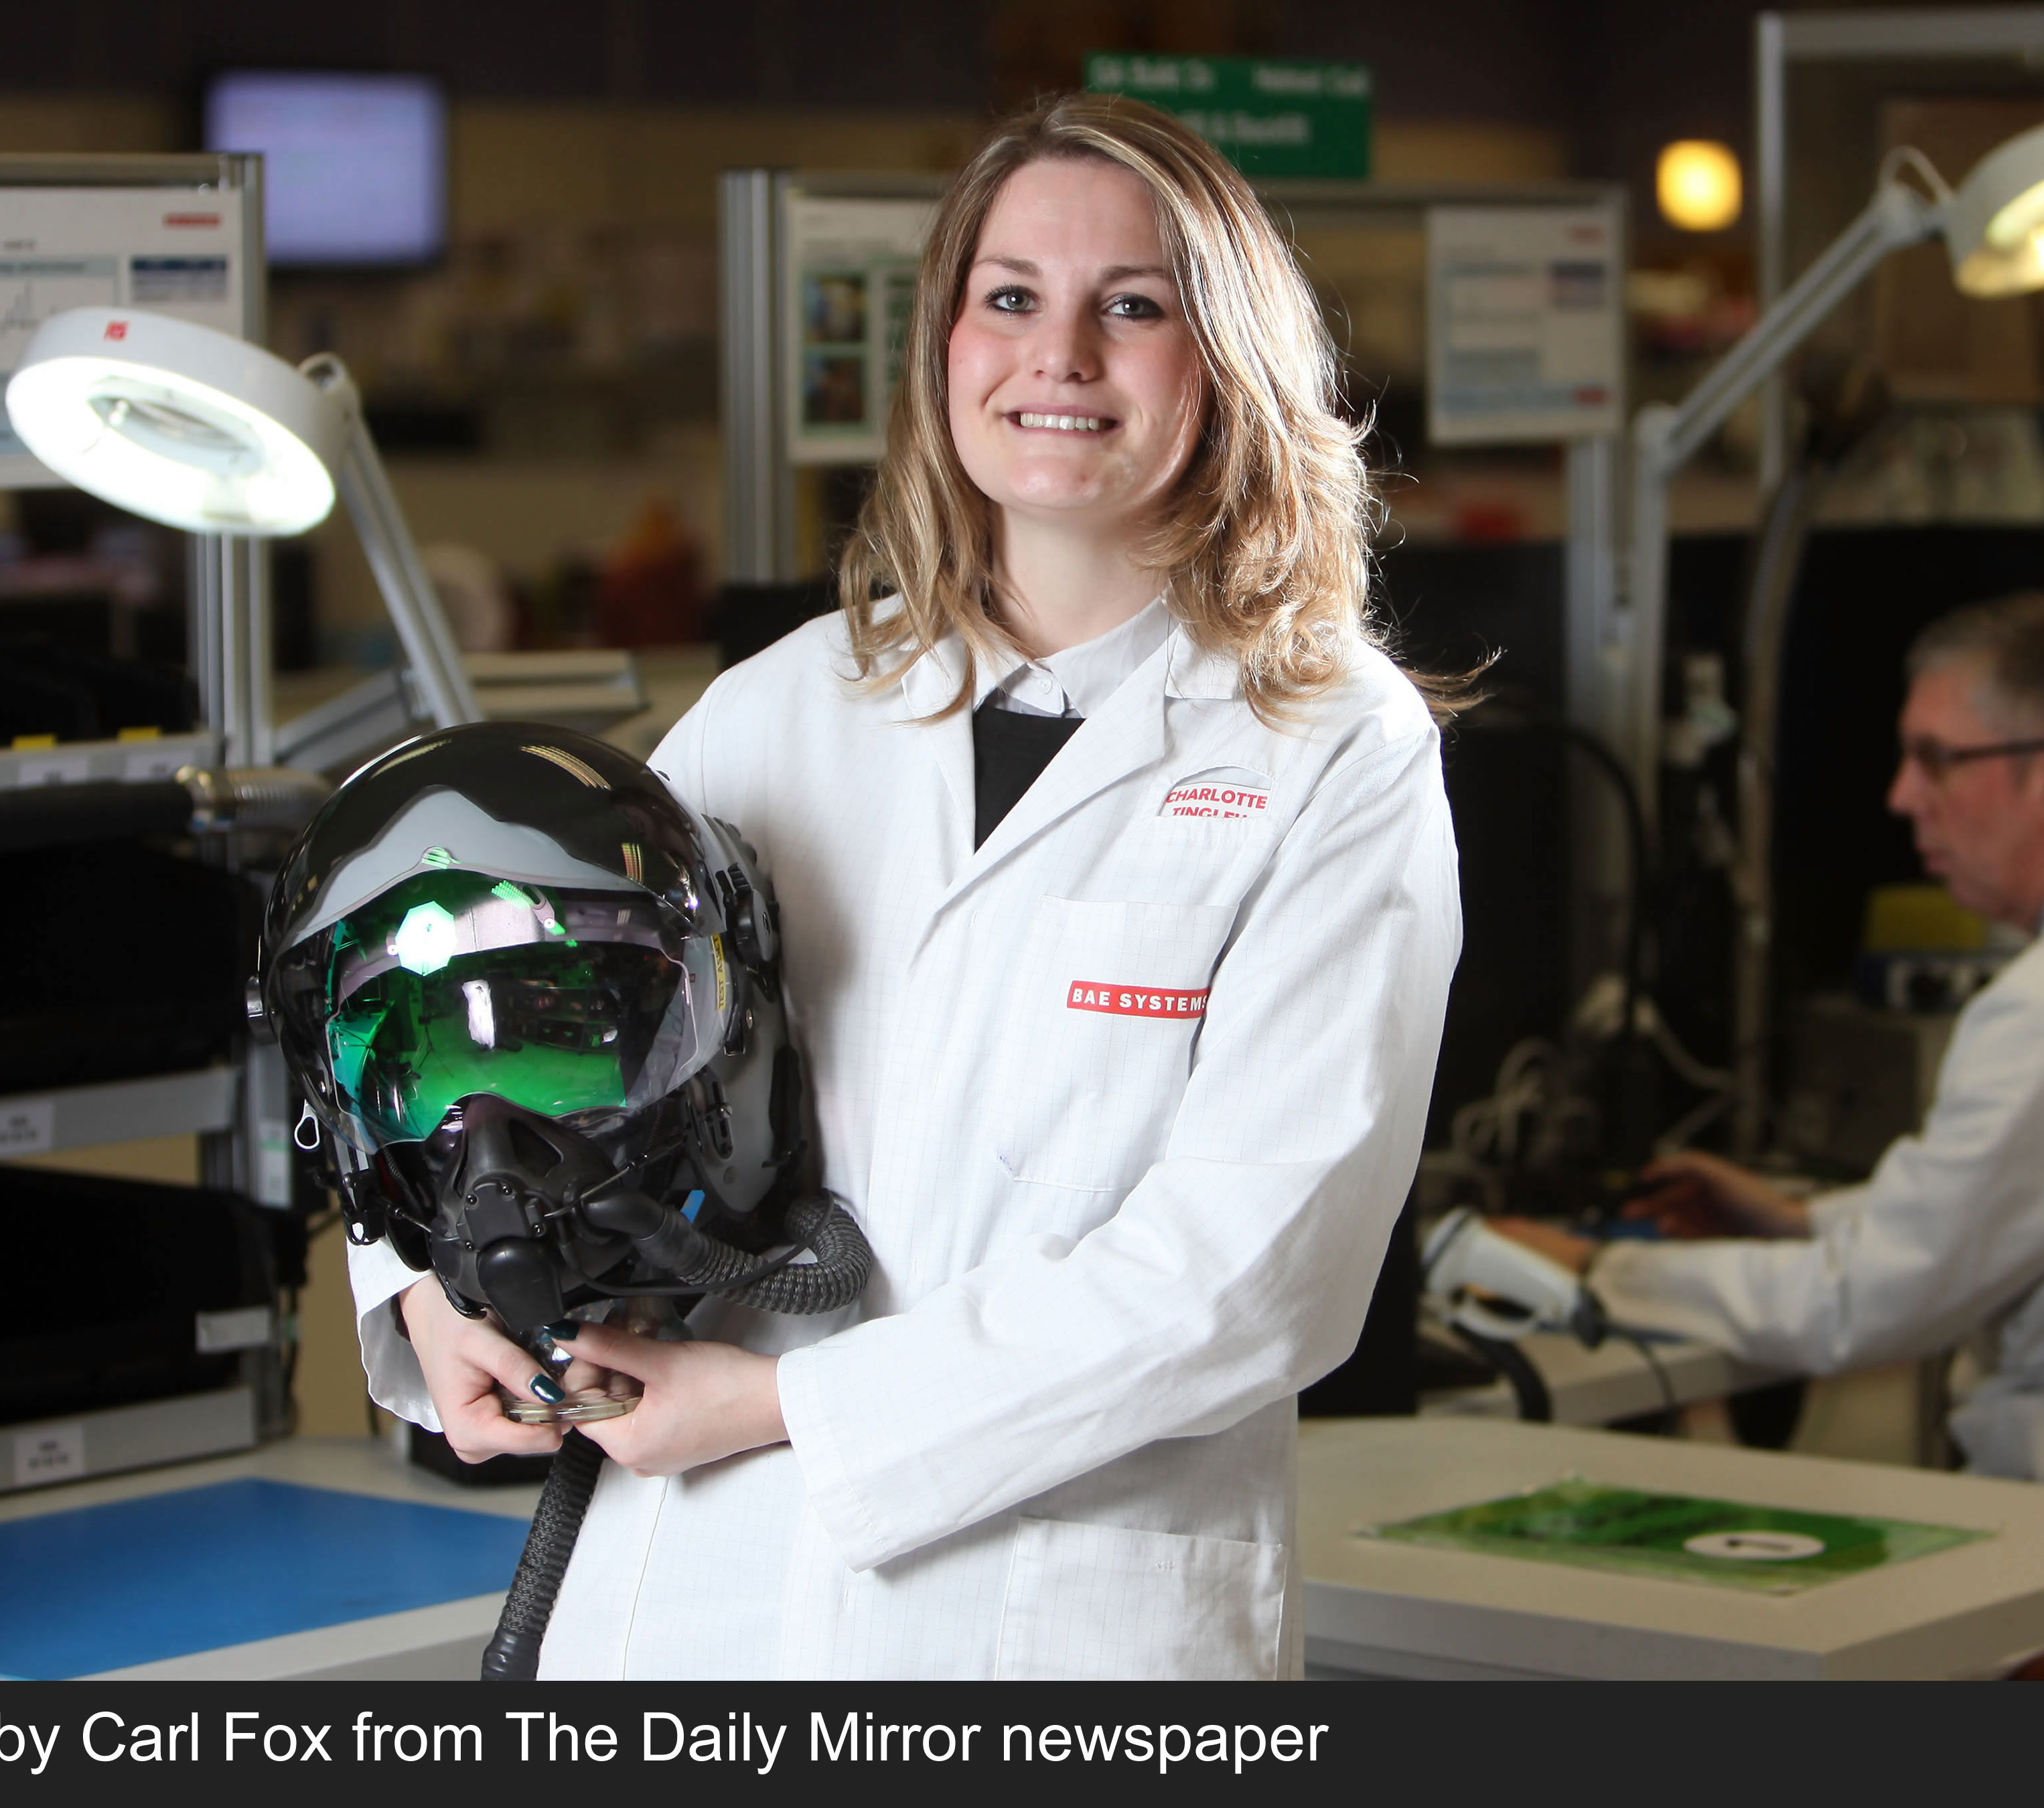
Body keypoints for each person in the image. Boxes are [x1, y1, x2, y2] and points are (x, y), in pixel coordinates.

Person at [346, 93, 1462, 1679]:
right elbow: (513, 1032)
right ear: (944, 346)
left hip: (1057, 1624)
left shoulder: (1334, 750)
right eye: (1009, 298)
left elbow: (1261, 1265)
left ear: (1228, 363)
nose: (1058, 355)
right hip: (688, 1599)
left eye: (1130, 307)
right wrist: (437, 1291)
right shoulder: (777, 709)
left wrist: (795, 1401)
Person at [1495, 593, 2044, 1646]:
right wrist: (1802, 1218)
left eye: (1936, 759)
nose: (1902, 797)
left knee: (1684, 1620)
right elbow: (2011, 1205)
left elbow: (1866, 1312)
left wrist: (1588, 1274)